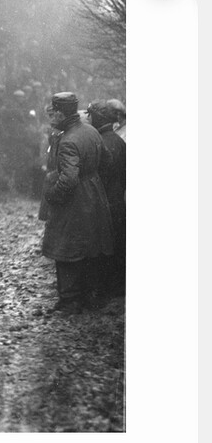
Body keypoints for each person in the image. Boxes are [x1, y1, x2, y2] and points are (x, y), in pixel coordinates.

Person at [41, 92, 114, 313]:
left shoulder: (68, 140)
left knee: (66, 247)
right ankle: (88, 298)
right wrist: (92, 178)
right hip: (94, 193)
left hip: (74, 200)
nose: (52, 116)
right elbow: (107, 161)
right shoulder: (90, 130)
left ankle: (70, 301)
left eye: (55, 112)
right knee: (90, 246)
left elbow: (69, 179)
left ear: (62, 113)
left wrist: (53, 195)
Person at [89, 100, 126, 296]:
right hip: (117, 198)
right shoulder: (116, 140)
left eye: (91, 116)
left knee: (108, 246)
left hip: (108, 201)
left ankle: (108, 290)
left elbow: (103, 175)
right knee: (116, 243)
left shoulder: (105, 142)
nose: (89, 119)